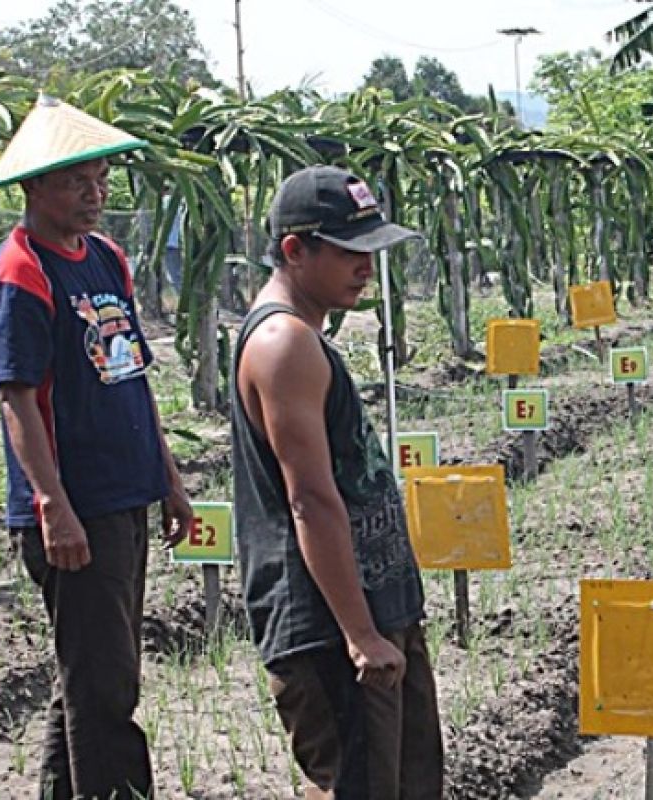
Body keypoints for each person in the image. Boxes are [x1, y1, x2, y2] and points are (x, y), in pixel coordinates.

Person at [0, 96, 193, 799]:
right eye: (77, 182)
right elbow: (15, 397)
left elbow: (130, 374)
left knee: (89, 671)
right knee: (106, 687)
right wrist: (52, 504)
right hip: (76, 506)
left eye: (101, 180)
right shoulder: (20, 272)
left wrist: (167, 477)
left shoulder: (107, 258)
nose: (94, 195)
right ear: (34, 186)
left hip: (124, 491)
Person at [231, 165, 441, 798]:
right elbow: (311, 499)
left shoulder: (304, 339)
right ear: (295, 250)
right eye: (351, 253)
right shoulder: (282, 343)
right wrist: (360, 634)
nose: (366, 268)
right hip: (330, 630)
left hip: (375, 611)